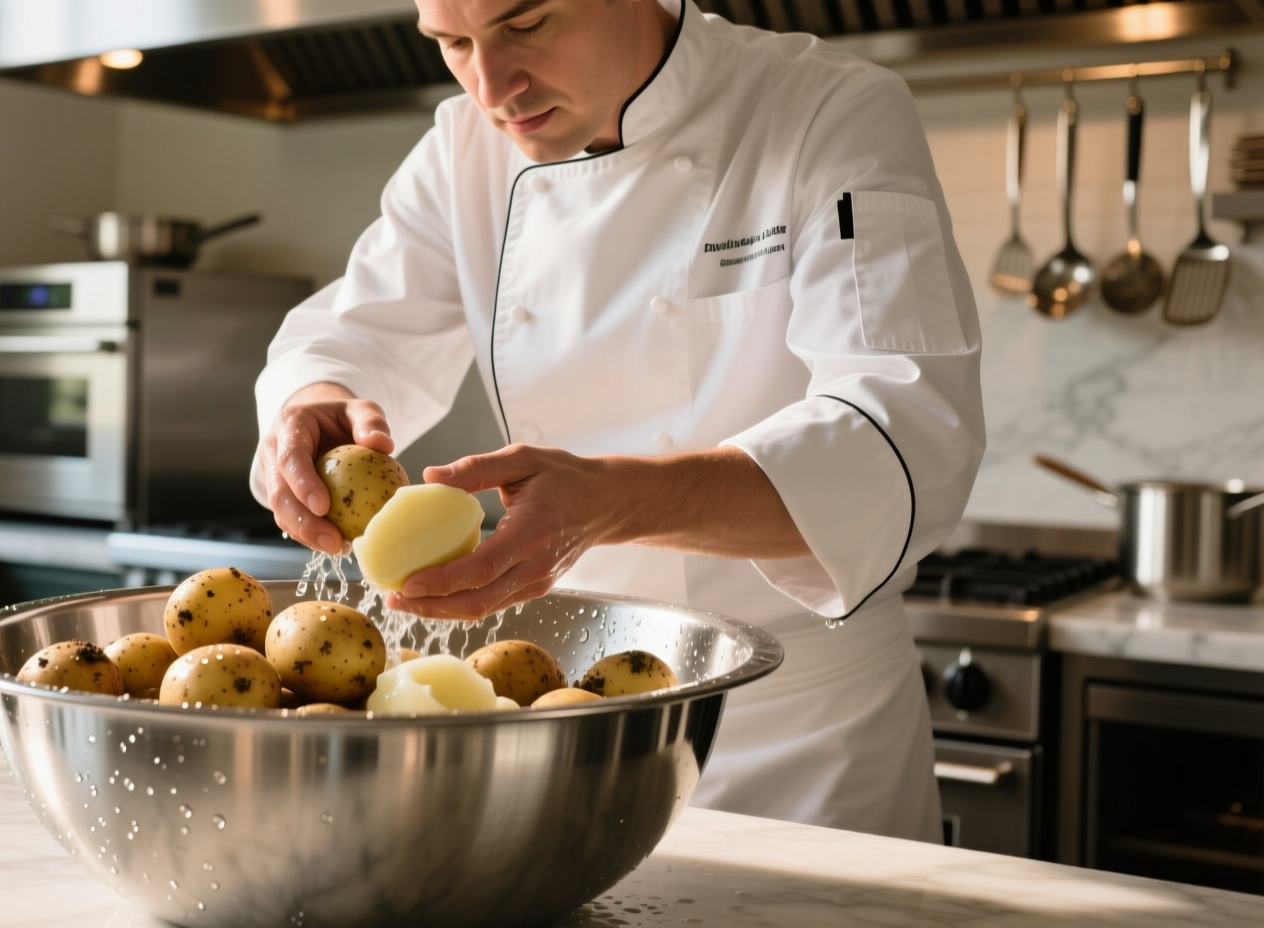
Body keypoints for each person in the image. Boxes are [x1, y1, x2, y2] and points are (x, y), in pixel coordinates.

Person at [251, 0, 984, 842]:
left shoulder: (824, 109)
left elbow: (906, 433)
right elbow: (351, 333)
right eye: (454, 43)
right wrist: (311, 402)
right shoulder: (460, 151)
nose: (492, 85)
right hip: (570, 724)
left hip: (794, 741)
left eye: (525, 25)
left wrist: (613, 502)